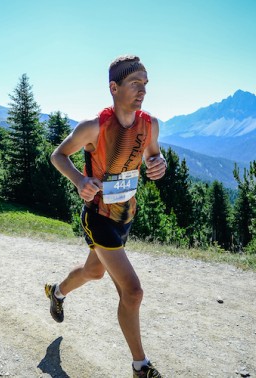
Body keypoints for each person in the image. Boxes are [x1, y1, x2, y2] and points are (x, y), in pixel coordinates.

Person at [45, 55, 167, 378]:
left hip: (125, 217)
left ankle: (57, 292)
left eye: (145, 84)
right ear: (114, 88)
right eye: (134, 83)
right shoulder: (93, 128)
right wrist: (80, 180)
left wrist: (159, 164)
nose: (142, 90)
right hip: (97, 217)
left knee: (93, 272)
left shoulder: (150, 125)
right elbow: (58, 155)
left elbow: (154, 155)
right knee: (133, 291)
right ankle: (141, 367)